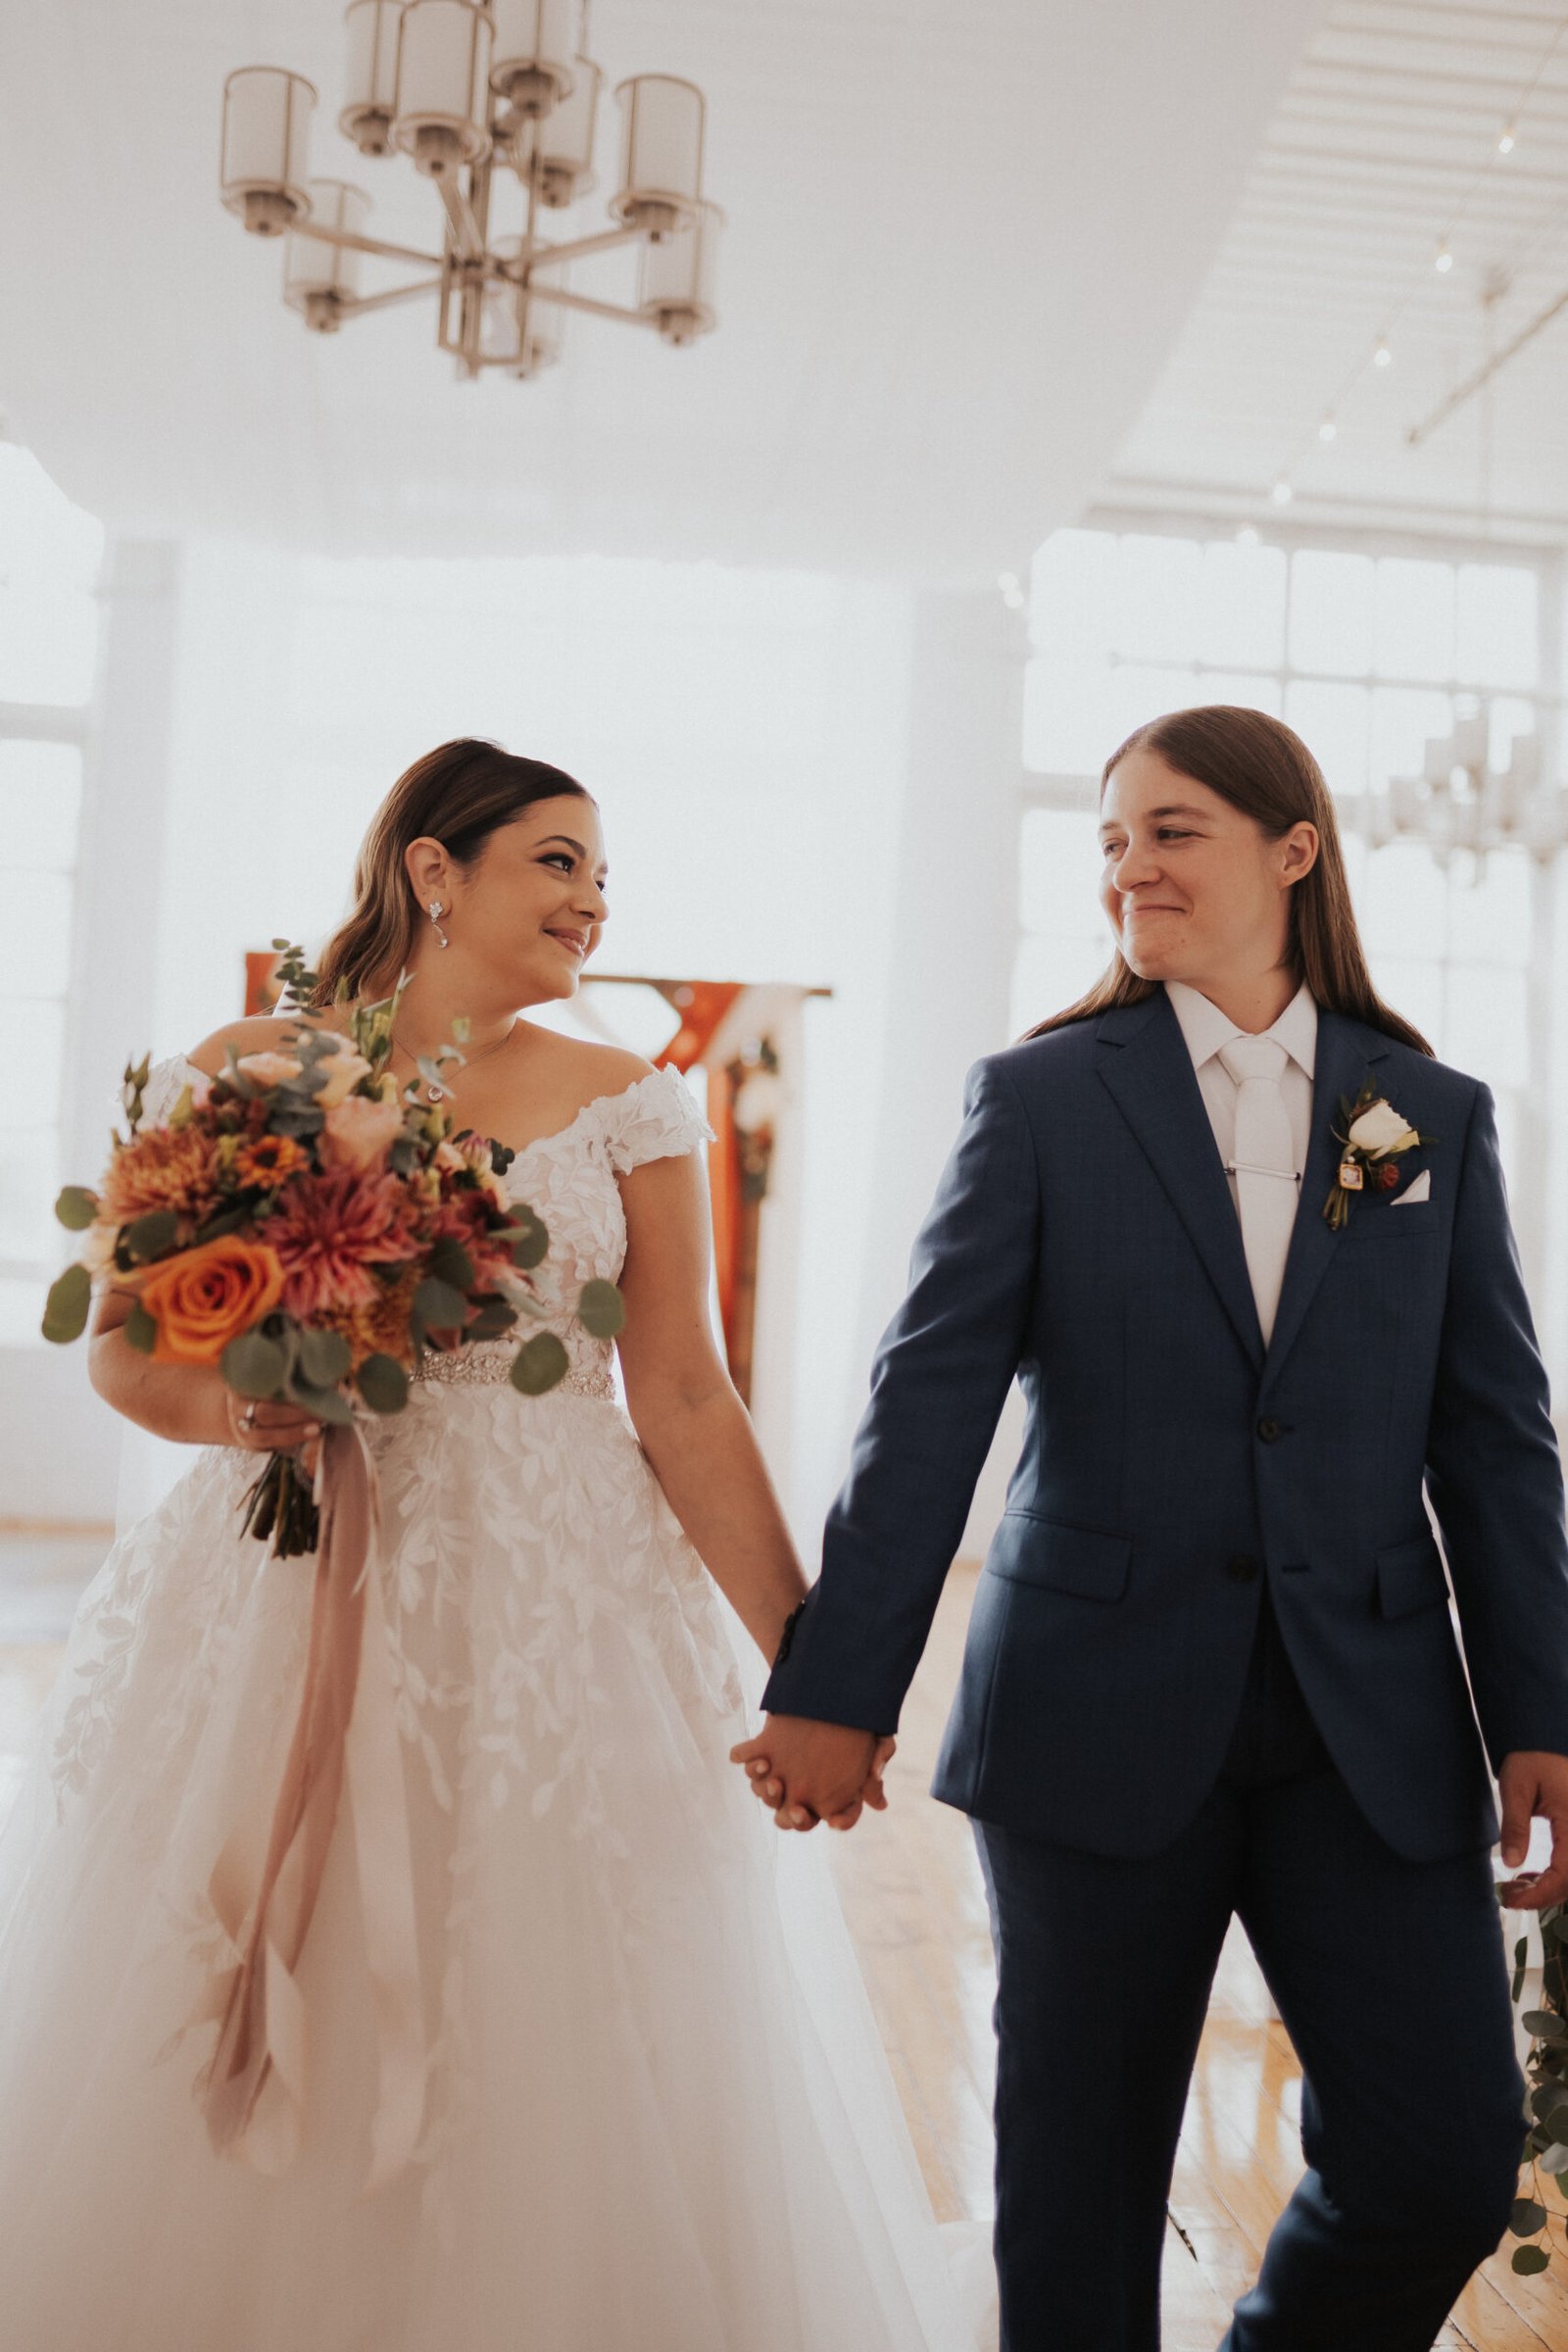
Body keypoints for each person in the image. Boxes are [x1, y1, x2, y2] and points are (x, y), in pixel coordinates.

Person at [0, 738, 974, 2352]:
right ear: (435, 869)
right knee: (265, 1918)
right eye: (558, 861)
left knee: (549, 1968)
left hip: (554, 1606)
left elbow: (680, 1396)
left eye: (603, 874)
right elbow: (124, 1348)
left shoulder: (633, 1103)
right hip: (293, 1575)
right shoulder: (252, 1068)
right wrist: (254, 1406)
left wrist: (825, 1671)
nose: (593, 902)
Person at [735, 705, 1568, 2350]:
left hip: (1373, 1722)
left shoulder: (1429, 1116)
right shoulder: (1042, 1099)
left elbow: (1494, 1435)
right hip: (1091, 1701)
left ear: (1293, 851)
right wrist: (839, 1686)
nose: (1132, 865)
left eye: (1172, 829)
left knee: (1444, 2157)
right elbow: (929, 1404)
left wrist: (1541, 1706)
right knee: (1079, 2181)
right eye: (1112, 838)